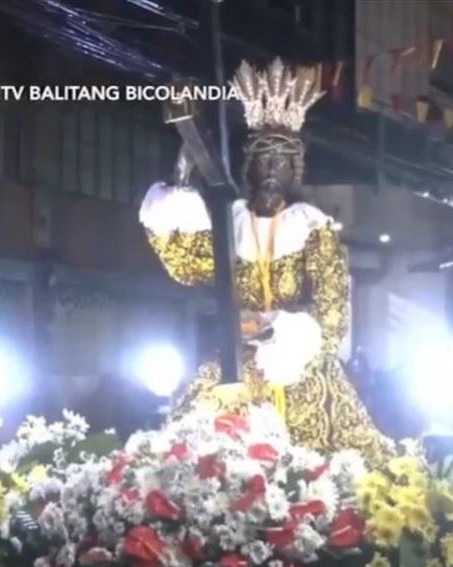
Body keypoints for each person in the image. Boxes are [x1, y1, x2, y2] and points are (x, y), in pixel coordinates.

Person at [138, 59, 387, 463]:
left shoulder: (313, 228)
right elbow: (188, 263)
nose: (272, 169)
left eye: (282, 161)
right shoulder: (229, 220)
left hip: (300, 365)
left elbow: (335, 313)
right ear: (249, 165)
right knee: (192, 449)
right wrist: (184, 172)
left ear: (295, 169)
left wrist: (283, 330)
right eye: (264, 159)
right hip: (238, 360)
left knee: (328, 466)